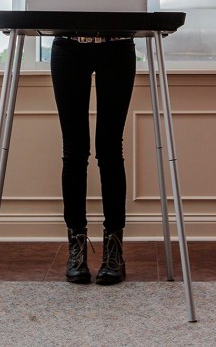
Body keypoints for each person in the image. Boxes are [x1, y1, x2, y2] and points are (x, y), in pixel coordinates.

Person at [50, 35, 136, 285]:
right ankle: (76, 250)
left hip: (118, 44)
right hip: (68, 44)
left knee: (110, 151)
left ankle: (114, 251)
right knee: (74, 151)